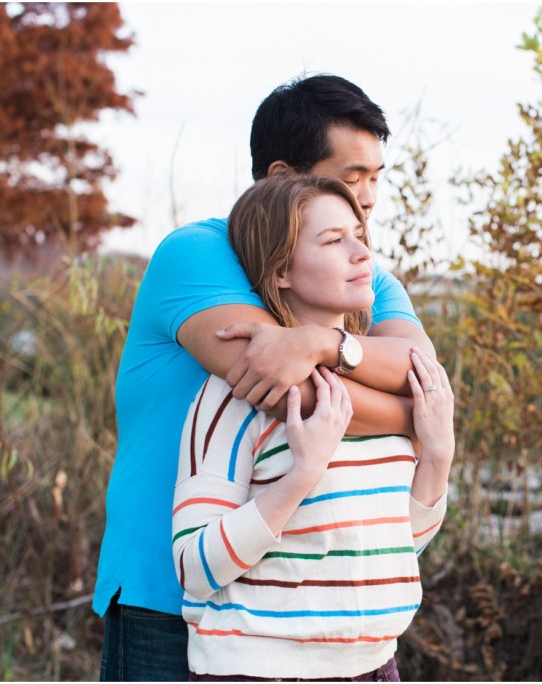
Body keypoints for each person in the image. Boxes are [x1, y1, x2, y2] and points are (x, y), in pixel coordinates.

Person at [96, 75, 435, 681]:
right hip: (169, 599)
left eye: (376, 178)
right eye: (351, 178)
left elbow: (423, 372)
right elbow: (293, 393)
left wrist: (323, 340)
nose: (368, 199)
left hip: (306, 613)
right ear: (284, 177)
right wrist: (422, 416)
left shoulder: (363, 275)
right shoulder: (200, 253)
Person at [173, 174, 452, 681]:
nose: (362, 253)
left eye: (360, 237)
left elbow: (396, 546)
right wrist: (302, 475)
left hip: (374, 666)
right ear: (281, 270)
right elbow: (195, 567)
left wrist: (437, 457)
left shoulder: (387, 398)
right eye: (333, 240)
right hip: (260, 669)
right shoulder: (239, 396)